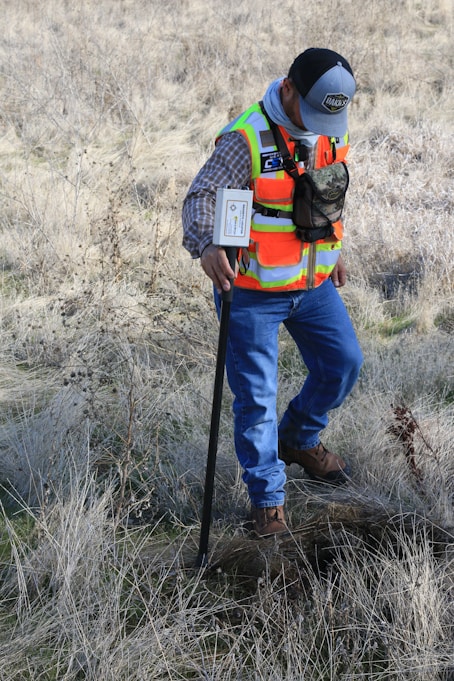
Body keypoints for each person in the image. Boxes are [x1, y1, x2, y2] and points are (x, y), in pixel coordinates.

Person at [182, 48, 363, 537]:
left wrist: (331, 246)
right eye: (316, 110)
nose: (328, 125)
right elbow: (201, 196)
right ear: (289, 89)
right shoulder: (246, 137)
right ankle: (268, 502)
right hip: (252, 291)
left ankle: (299, 438)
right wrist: (205, 244)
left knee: (344, 364)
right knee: (256, 399)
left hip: (313, 283)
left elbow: (323, 194)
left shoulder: (330, 123)